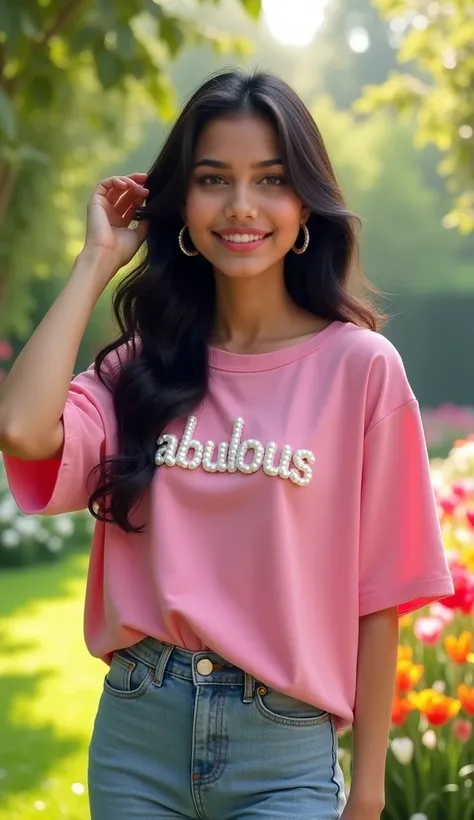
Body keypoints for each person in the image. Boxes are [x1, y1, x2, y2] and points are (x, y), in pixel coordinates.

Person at [0, 69, 453, 820]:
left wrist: (367, 793)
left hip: (286, 749)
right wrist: (96, 261)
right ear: (182, 202)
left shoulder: (361, 370)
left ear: (304, 201)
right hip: (137, 734)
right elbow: (19, 426)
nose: (241, 207)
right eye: (214, 179)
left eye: (269, 180)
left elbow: (383, 596)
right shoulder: (138, 368)